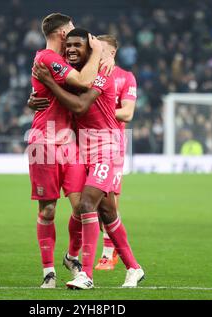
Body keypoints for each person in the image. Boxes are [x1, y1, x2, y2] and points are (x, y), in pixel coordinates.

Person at [33, 28, 144, 289]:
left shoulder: (104, 73)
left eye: (79, 47)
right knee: (107, 211)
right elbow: (59, 101)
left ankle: (86, 274)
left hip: (106, 147)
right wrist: (36, 98)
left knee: (86, 205)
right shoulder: (78, 75)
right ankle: (134, 268)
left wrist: (49, 82)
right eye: (68, 46)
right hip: (81, 149)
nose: (71, 50)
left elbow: (80, 106)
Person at [28, 13, 104, 288]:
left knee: (81, 207)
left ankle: (73, 257)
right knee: (48, 210)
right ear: (61, 33)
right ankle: (48, 271)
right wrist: (97, 51)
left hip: (69, 144)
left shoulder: (59, 61)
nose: (75, 36)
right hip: (44, 143)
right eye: (71, 31)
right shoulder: (48, 59)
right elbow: (84, 83)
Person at [94, 35, 137, 271]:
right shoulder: (89, 73)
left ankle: (109, 253)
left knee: (109, 200)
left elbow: (128, 112)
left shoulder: (125, 77)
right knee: (89, 201)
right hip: (87, 142)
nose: (95, 53)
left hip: (113, 144)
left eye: (99, 50)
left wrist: (98, 108)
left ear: (111, 53)